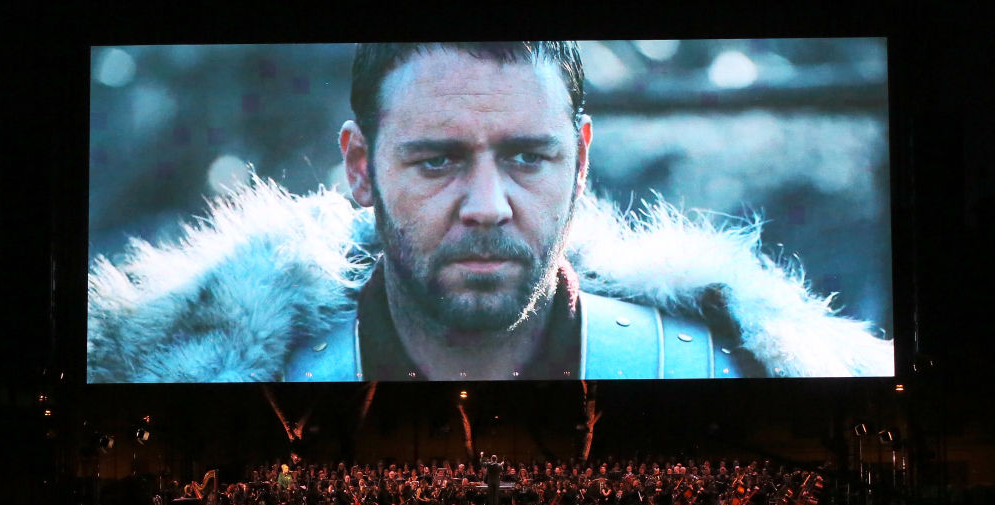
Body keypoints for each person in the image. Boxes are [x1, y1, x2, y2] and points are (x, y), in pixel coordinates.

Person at [88, 42, 893, 382]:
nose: (486, 207)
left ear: (579, 163)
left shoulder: (722, 374)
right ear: (361, 169)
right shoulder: (219, 389)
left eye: (526, 157)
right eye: (436, 160)